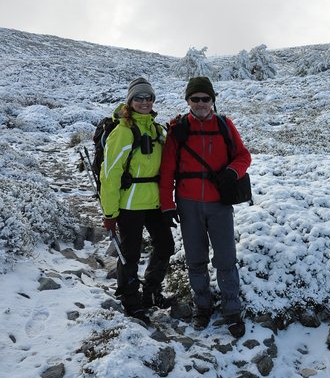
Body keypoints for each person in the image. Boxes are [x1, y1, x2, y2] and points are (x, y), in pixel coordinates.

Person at [159, 76, 251, 337]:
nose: (200, 103)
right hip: (188, 205)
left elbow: (244, 156)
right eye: (195, 99)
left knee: (225, 259)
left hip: (219, 205)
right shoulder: (178, 129)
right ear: (187, 100)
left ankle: (232, 310)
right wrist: (167, 204)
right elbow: (167, 170)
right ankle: (202, 306)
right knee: (195, 260)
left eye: (205, 99)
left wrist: (233, 172)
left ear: (213, 100)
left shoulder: (224, 124)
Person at [100, 77, 175, 324]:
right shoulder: (122, 132)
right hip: (129, 204)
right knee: (129, 255)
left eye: (149, 97)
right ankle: (131, 301)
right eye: (139, 98)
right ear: (130, 101)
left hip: (154, 203)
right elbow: (110, 176)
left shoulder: (157, 129)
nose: (144, 102)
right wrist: (110, 214)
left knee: (165, 246)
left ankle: (150, 293)